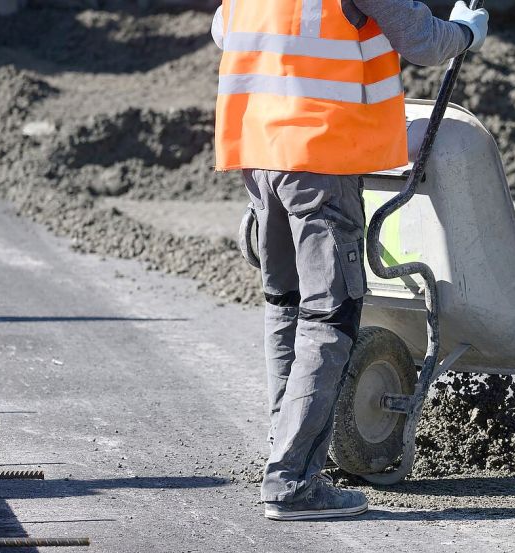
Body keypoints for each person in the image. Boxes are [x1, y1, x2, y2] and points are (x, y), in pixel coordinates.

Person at [211, 0, 488, 521]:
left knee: (286, 306)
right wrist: (467, 32)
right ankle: (292, 481)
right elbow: (424, 42)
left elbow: (224, 32)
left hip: (260, 154)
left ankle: (286, 451)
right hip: (320, 156)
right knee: (328, 319)